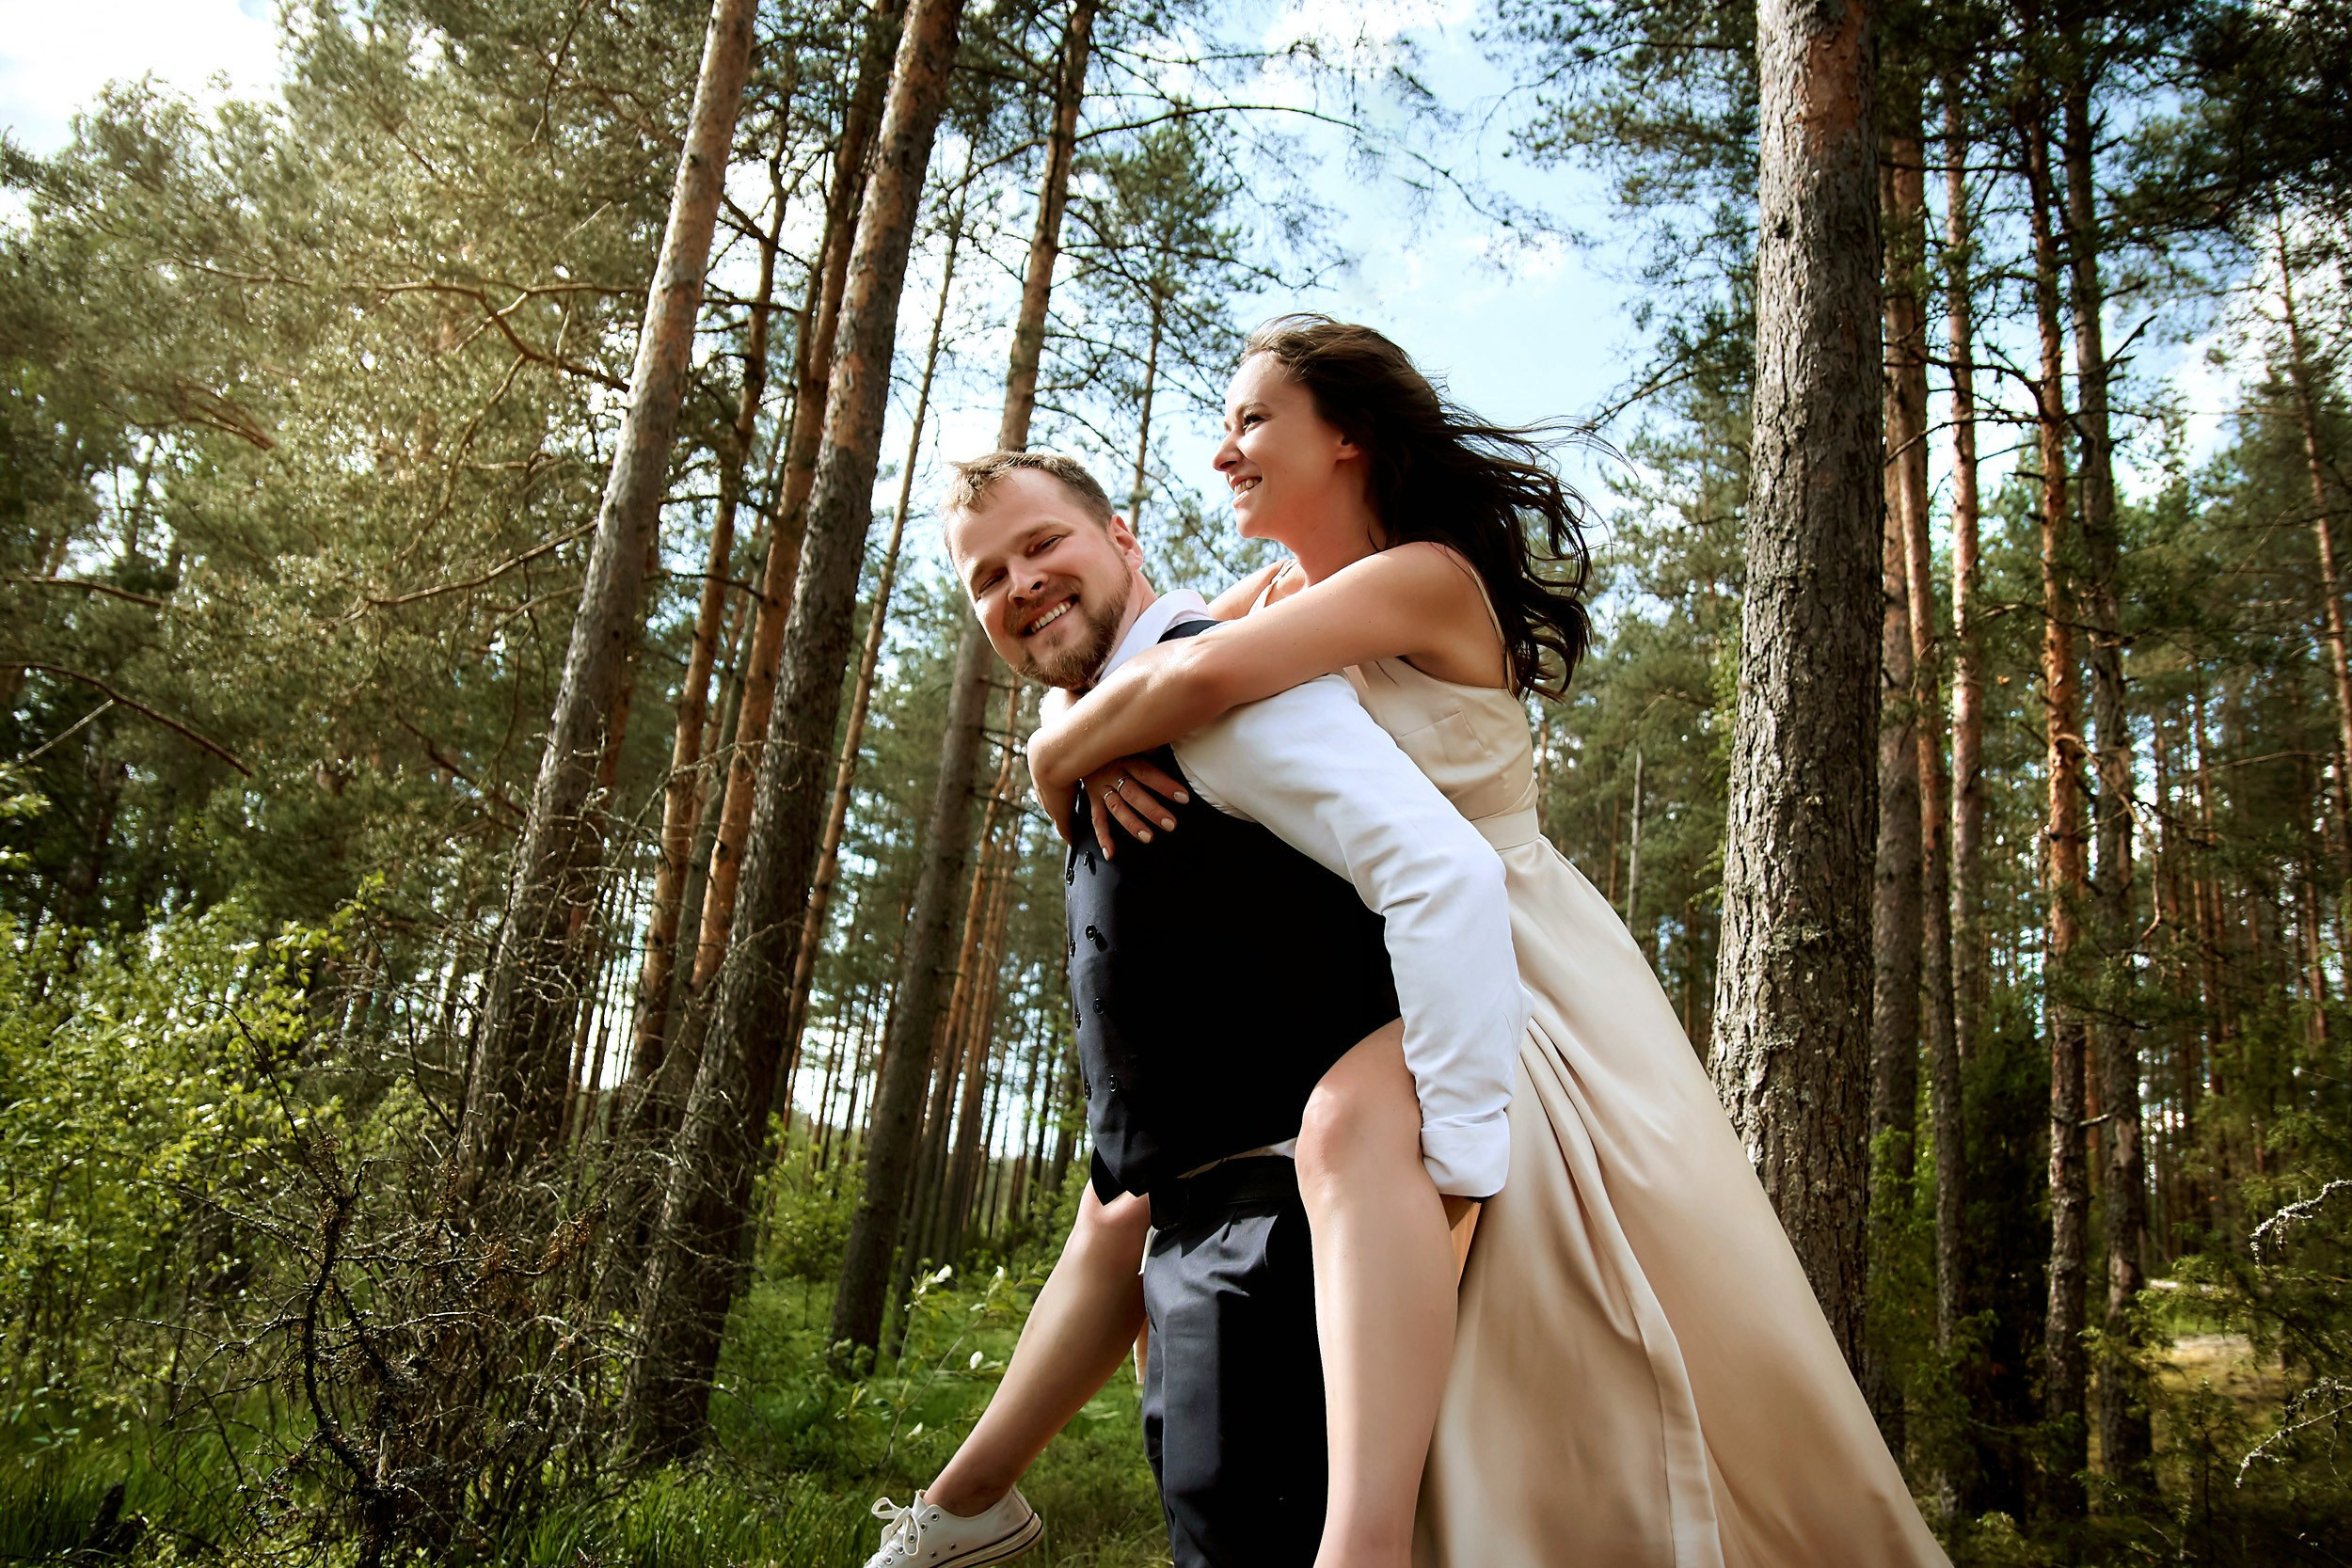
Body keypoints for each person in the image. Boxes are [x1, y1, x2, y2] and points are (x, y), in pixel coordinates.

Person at [933, 315, 1954, 1567]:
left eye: (1252, 420)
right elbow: (1159, 660)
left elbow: (1186, 685)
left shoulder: (1423, 576)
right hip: (1395, 959)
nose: (1223, 452)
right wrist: (1092, 734)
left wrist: (1053, 757)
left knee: (1402, 1170)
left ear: (1346, 435)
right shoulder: (1282, 597)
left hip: (1508, 950)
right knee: (1143, 1205)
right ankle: (970, 1503)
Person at [860, 450, 1524, 1568]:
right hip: (1192, 1237)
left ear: (1121, 537)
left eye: (1042, 544)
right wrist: (1071, 743)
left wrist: (1457, 1170)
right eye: (987, 577)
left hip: (1278, 1240)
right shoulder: (1122, 718)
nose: (1020, 583)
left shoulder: (1217, 695)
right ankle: (964, 1506)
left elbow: (1443, 876)